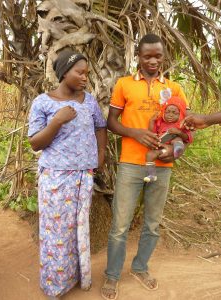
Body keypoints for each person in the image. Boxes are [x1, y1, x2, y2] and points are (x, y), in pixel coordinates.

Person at [101, 33, 190, 300]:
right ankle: (112, 275)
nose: (152, 60)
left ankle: (140, 267)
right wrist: (135, 133)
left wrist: (173, 151)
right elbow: (111, 122)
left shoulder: (174, 89)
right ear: (137, 57)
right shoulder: (124, 84)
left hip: (162, 166)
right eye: (147, 56)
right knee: (120, 224)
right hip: (130, 163)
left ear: (164, 57)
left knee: (152, 223)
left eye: (158, 56)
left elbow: (184, 128)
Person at [28, 49, 107, 300]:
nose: (85, 77)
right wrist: (56, 122)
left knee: (78, 229)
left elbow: (101, 127)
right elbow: (35, 143)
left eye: (87, 73)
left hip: (83, 176)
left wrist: (100, 156)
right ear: (64, 73)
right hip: (55, 178)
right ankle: (55, 285)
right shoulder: (43, 102)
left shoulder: (89, 101)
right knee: (56, 231)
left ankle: (76, 277)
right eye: (79, 72)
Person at [144, 96, 192, 183]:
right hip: (162, 148)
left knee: (177, 139)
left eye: (175, 113)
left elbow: (187, 138)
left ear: (180, 114)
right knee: (149, 155)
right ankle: (151, 174)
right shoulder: (160, 123)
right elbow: (152, 133)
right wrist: (151, 121)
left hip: (171, 147)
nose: (170, 115)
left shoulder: (182, 125)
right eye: (167, 112)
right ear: (163, 112)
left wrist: (179, 132)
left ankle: (178, 150)